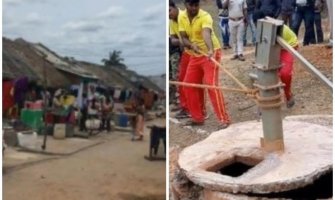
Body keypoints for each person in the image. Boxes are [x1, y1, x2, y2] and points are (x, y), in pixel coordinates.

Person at [179, 0, 231, 129]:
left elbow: (206, 33)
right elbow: (183, 37)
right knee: (188, 85)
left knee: (211, 85)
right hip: (195, 55)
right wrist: (191, 45)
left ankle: (224, 119)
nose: (194, 8)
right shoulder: (182, 17)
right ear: (186, 4)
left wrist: (210, 49)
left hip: (210, 54)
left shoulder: (205, 16)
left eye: (197, 5)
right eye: (192, 5)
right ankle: (197, 117)